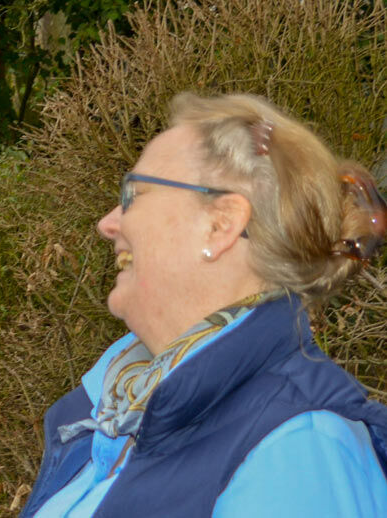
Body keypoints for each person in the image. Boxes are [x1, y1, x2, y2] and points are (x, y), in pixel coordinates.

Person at [21, 92, 387, 517]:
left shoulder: (299, 448)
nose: (107, 224)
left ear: (220, 225)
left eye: (134, 194)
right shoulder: (117, 411)